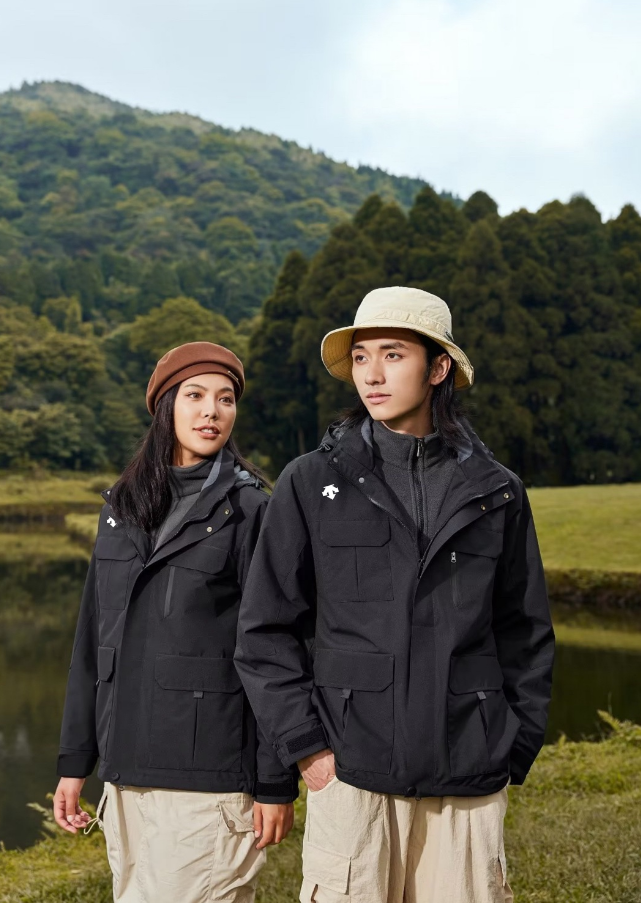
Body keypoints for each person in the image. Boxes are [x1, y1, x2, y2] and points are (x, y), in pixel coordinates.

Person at [235, 287, 555, 903]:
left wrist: (511, 745)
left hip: (469, 776)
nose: (372, 375)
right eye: (361, 358)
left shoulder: (497, 491)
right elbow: (265, 631)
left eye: (393, 354)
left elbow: (525, 631)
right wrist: (308, 751)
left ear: (438, 369)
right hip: (351, 775)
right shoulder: (310, 482)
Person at [54, 341, 297, 903]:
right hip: (125, 776)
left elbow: (277, 650)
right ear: (166, 406)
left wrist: (274, 781)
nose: (212, 411)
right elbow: (92, 644)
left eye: (226, 399)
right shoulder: (120, 510)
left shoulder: (252, 511)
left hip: (209, 778)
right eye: (195, 395)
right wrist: (75, 762)